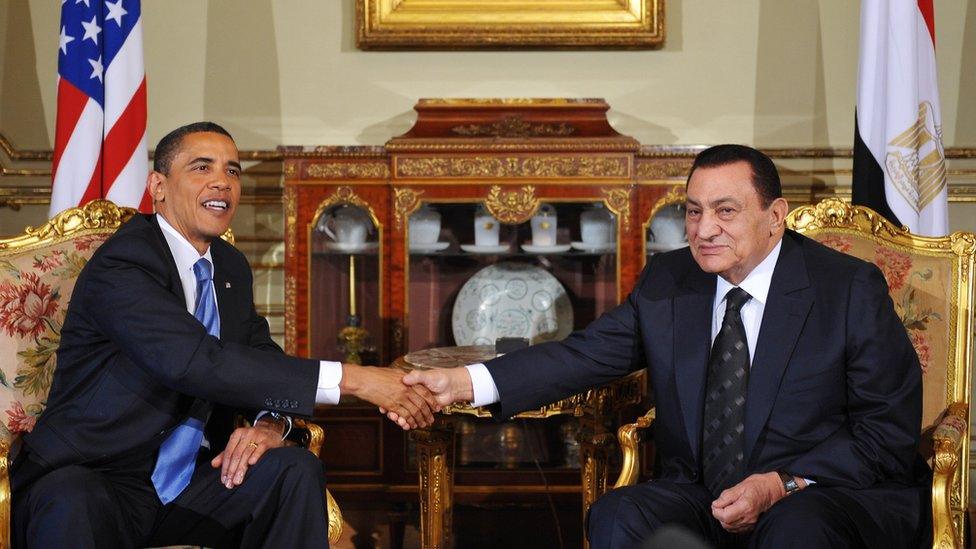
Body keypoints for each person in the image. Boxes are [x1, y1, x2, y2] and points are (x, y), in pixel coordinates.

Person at [393, 145, 930, 548]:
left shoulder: (846, 288)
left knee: (797, 529)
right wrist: (465, 382)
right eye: (693, 212)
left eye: (725, 211)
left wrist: (780, 485)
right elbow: (583, 354)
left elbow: (885, 432)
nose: (704, 230)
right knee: (617, 516)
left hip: (819, 493)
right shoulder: (671, 282)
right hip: (703, 491)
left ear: (775, 216)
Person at [12, 122, 438, 548]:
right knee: (70, 499)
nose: (222, 181)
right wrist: (358, 379)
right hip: (96, 475)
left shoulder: (229, 266)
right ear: (158, 186)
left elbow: (259, 359)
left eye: (233, 171)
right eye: (202, 167)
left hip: (189, 484)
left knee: (293, 471)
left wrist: (270, 423)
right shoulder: (124, 263)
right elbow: (195, 363)